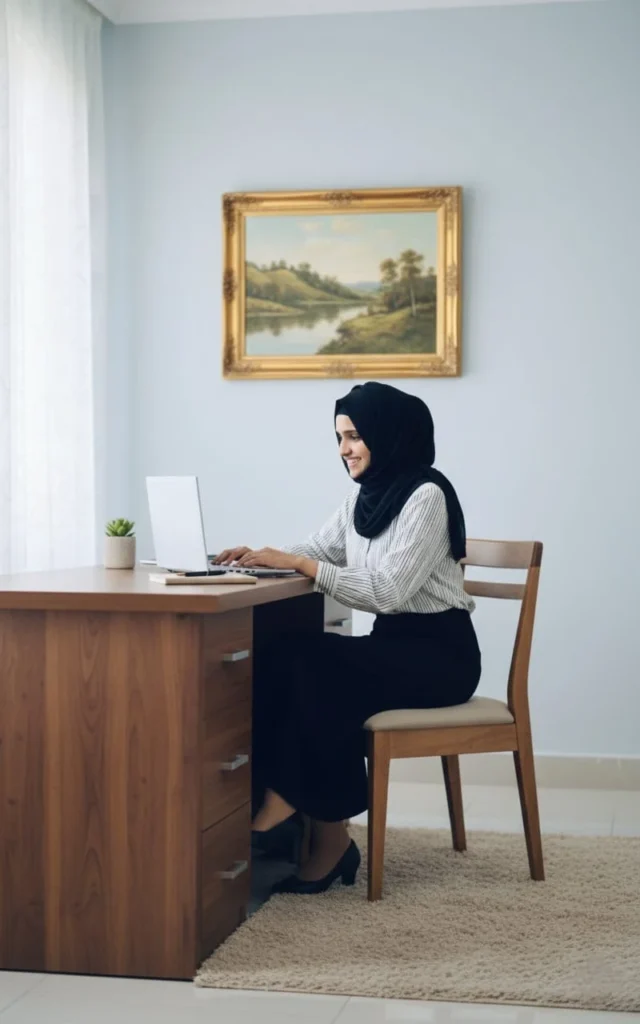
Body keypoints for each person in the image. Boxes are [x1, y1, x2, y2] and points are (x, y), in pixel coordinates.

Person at [215, 382, 481, 895]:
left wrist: (302, 565)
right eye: (339, 438)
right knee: (290, 654)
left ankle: (304, 812)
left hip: (438, 656)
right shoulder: (365, 497)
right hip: (391, 649)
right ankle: (310, 820)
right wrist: (259, 557)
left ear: (389, 433)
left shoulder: (426, 496)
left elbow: (389, 589)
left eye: (355, 436)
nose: (344, 450)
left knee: (319, 668)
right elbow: (317, 548)